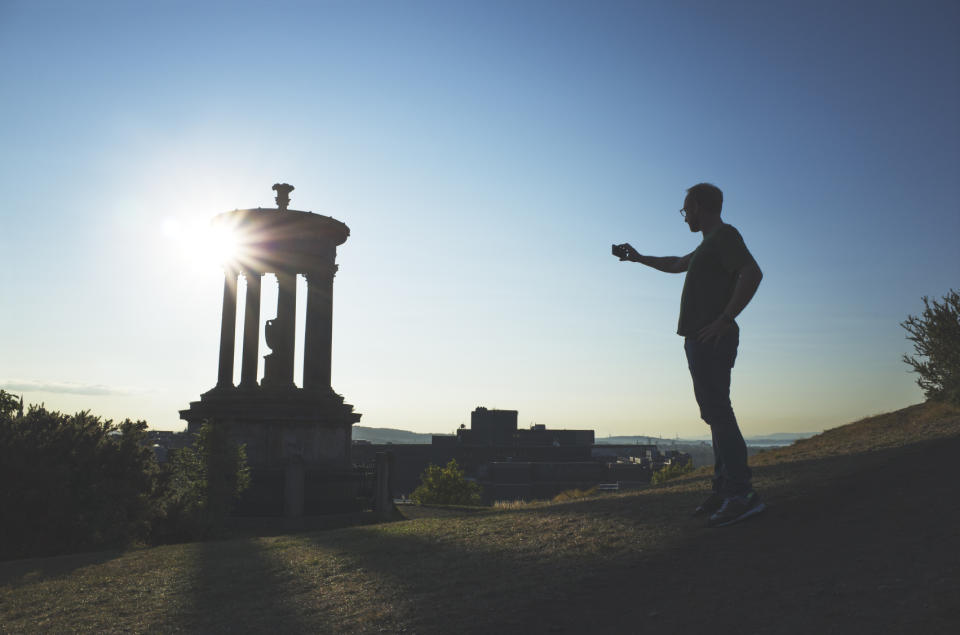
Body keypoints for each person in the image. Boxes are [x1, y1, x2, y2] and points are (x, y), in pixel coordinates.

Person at [614, 183, 765, 528]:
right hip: (699, 340)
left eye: (686, 210)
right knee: (714, 414)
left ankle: (743, 494)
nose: (685, 218)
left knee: (720, 414)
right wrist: (637, 257)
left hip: (711, 339)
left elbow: (752, 273)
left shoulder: (726, 236)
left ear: (698, 206)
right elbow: (676, 263)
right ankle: (725, 489)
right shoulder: (705, 248)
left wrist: (725, 320)